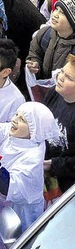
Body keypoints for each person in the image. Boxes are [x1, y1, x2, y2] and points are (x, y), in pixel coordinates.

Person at [0, 102, 60, 249]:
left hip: (18, 215)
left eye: (23, 120)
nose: (15, 120)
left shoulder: (32, 157)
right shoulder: (15, 134)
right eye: (17, 115)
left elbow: (9, 187)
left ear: (34, 130)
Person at [43, 54, 75, 194]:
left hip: (68, 187)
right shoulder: (54, 93)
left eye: (69, 78)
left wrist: (53, 165)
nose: (61, 77)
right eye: (62, 71)